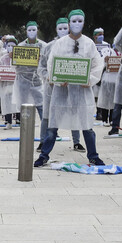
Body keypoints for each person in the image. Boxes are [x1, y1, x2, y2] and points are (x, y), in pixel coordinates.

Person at [35, 9, 105, 167]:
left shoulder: (89, 43)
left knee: (87, 126)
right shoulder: (60, 43)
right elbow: (51, 64)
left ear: (84, 23)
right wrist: (58, 80)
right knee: (53, 125)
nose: (76, 24)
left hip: (82, 93)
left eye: (80, 21)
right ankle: (44, 155)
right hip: (61, 92)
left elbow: (97, 65)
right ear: (68, 23)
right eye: (74, 21)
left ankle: (93, 156)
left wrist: (90, 80)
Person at [38, 17, 83, 151]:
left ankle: (76, 141)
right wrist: (49, 78)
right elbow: (41, 67)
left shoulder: (78, 44)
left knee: (73, 112)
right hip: (52, 88)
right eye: (60, 28)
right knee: (47, 115)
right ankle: (42, 141)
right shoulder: (49, 47)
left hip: (72, 87)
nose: (63, 31)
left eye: (65, 28)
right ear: (56, 29)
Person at [12, 22, 46, 133]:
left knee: (41, 107)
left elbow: (48, 63)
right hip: (23, 82)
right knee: (25, 108)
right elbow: (15, 67)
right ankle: (25, 130)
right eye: (29, 30)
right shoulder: (20, 47)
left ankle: (45, 131)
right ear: (26, 31)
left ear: (37, 30)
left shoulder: (44, 46)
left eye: (34, 30)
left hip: (38, 82)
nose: (31, 32)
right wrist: (13, 58)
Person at [0, 36, 18, 129]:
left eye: (13, 46)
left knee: (17, 103)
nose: (11, 48)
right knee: (7, 103)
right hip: (6, 85)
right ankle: (8, 121)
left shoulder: (20, 57)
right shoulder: (3, 58)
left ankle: (19, 119)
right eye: (9, 45)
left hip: (17, 85)